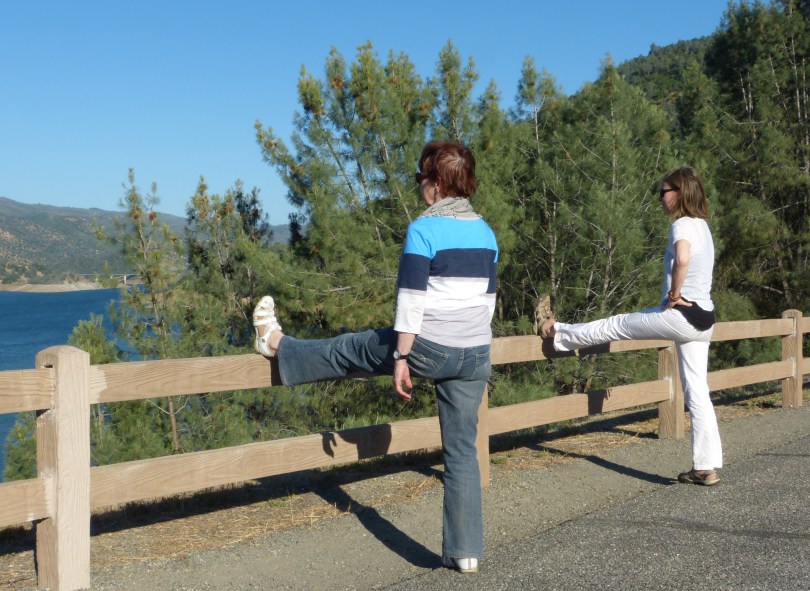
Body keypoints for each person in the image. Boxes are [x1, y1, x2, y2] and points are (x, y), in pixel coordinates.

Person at [253, 141, 499, 573]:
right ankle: (465, 553)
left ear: (437, 183)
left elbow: (411, 302)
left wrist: (401, 357)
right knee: (462, 451)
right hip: (476, 353)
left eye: (421, 177)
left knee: (349, 348)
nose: (418, 185)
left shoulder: (424, 229)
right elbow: (487, 301)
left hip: (429, 347)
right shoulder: (486, 232)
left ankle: (275, 344)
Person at [541, 166, 723, 486]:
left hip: (680, 315)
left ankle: (556, 331)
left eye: (663, 192)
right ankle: (705, 467)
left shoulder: (681, 224)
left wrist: (674, 294)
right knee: (697, 390)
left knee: (616, 324)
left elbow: (682, 259)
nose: (660, 198)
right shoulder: (703, 227)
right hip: (704, 318)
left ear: (679, 193)